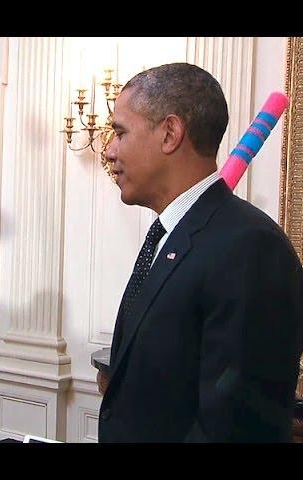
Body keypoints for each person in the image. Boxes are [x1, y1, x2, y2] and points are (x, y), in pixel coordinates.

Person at [98, 63, 303, 442]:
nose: (109, 151)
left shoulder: (251, 248)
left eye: (120, 132)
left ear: (170, 133)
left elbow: (235, 428)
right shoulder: (167, 234)